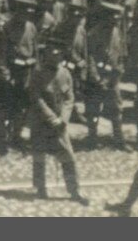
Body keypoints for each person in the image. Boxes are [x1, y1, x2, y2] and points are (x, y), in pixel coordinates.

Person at [29, 40, 87, 204]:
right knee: (39, 156)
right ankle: (41, 189)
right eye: (52, 53)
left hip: (59, 123)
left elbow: (69, 98)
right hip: (41, 122)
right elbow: (36, 97)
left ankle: (74, 190)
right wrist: (51, 118)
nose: (56, 56)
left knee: (68, 156)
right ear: (45, 54)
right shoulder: (38, 73)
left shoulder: (65, 73)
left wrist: (63, 119)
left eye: (59, 54)